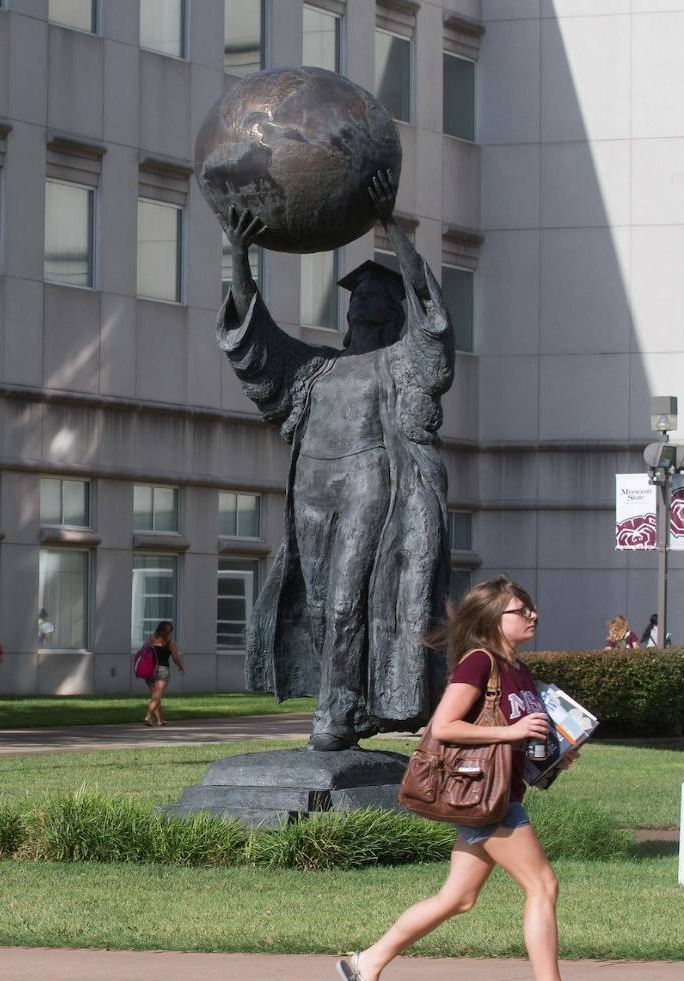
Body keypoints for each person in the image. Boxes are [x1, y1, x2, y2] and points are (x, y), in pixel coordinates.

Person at [216, 169, 454, 751]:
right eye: (359, 294)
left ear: (391, 310)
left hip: (370, 482)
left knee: (350, 599)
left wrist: (390, 228)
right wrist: (240, 258)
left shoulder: (398, 363)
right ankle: (348, 704)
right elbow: (255, 344)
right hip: (312, 487)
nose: (365, 298)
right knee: (321, 603)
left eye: (377, 293)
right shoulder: (315, 367)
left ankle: (334, 713)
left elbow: (433, 320)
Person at [338, 577, 571, 981]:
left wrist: (553, 758)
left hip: (496, 794)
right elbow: (445, 726)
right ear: (494, 619)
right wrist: (511, 733)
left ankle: (367, 962)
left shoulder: (518, 668)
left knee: (458, 898)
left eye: (531, 607)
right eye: (521, 610)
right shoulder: (479, 662)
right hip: (485, 799)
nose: (533, 615)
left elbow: (519, 737)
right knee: (543, 885)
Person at [141, 620, 185, 727]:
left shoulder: (151, 640)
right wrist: (181, 666)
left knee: (156, 697)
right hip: (162, 671)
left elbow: (143, 651)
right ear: (169, 632)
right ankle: (148, 717)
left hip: (149, 671)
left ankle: (160, 720)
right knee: (156, 697)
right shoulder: (171, 644)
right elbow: (175, 658)